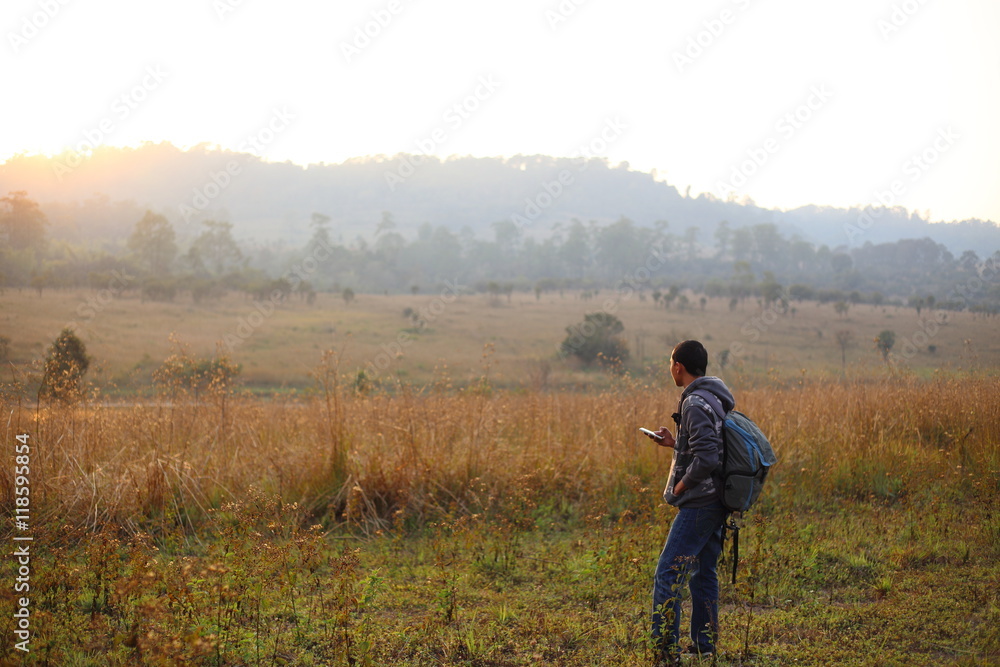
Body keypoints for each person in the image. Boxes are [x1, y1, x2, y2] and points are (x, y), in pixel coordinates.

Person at [643, 340, 734, 665]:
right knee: (704, 572)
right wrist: (674, 443)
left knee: (668, 573)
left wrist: (682, 484)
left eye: (671, 363)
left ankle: (665, 651)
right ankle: (704, 645)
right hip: (718, 499)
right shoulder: (713, 397)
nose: (670, 368)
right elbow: (707, 447)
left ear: (678, 367)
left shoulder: (694, 402)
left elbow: (708, 456)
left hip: (701, 502)